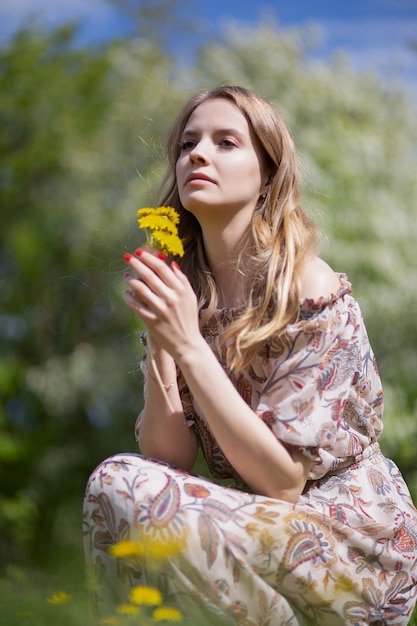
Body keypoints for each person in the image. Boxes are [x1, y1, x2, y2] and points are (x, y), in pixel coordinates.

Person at [83, 85, 417, 625]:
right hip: (267, 530)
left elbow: (282, 481)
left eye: (226, 142)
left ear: (267, 174)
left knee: (123, 483)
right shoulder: (189, 289)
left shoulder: (306, 288)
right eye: (189, 142)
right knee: (118, 490)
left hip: (351, 550)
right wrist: (165, 343)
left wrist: (189, 344)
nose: (198, 153)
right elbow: (168, 461)